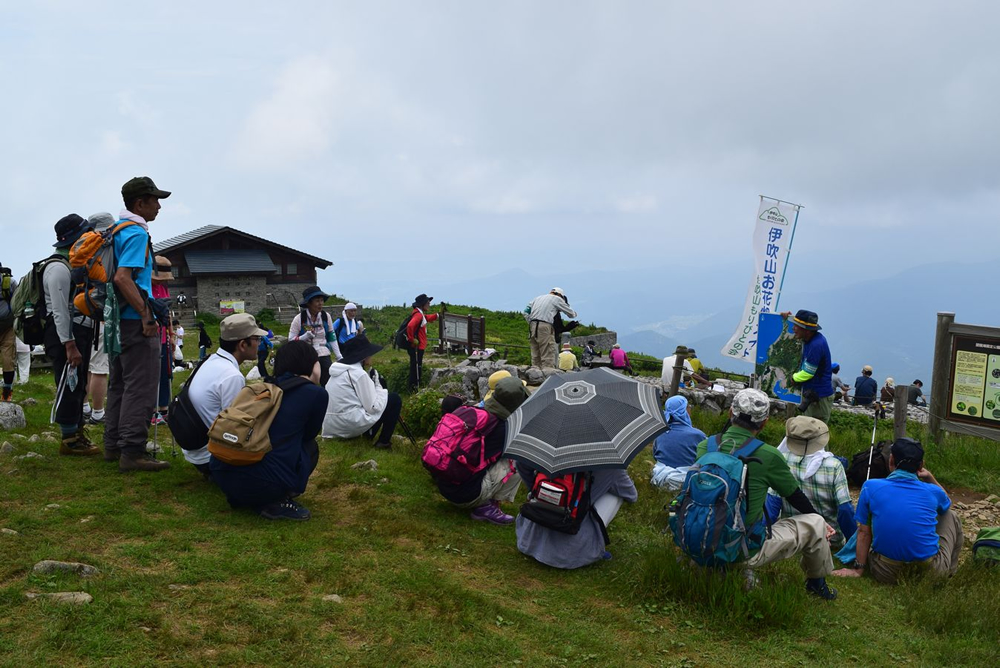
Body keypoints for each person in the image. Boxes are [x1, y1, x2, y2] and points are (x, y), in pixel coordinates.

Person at [693, 389, 839, 600]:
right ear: (764, 423)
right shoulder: (768, 455)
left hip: (700, 539)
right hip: (740, 548)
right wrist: (822, 523)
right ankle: (816, 586)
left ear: (729, 414)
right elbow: (794, 496)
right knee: (815, 522)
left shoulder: (706, 446)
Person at [210, 340, 328, 521]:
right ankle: (276, 501)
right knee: (309, 447)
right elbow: (309, 434)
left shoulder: (264, 388)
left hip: (222, 472)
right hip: (264, 483)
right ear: (310, 365)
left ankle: (244, 495)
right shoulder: (316, 394)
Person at [103, 176, 172, 472]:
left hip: (117, 321)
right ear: (139, 203)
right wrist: (146, 315)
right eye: (154, 200)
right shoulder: (136, 234)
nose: (158, 206)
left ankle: (113, 444)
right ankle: (132, 451)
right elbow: (123, 277)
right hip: (134, 320)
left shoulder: (115, 230)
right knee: (141, 386)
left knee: (119, 383)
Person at [833, 438, 963, 585]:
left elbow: (863, 532)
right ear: (921, 466)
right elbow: (946, 502)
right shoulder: (932, 491)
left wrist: (858, 570)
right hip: (929, 573)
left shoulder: (871, 487)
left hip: (884, 572)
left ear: (891, 460)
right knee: (950, 515)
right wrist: (930, 477)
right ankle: (949, 573)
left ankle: (868, 564)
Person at [436, 376, 529, 525]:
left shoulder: (473, 412)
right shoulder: (502, 428)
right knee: (518, 460)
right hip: (465, 496)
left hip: (444, 484)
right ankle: (486, 507)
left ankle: (481, 500)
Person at [42, 215, 99, 455]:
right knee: (69, 383)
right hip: (63, 334)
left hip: (75, 331)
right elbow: (59, 310)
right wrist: (69, 344)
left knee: (78, 383)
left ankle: (76, 431)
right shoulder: (57, 268)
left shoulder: (72, 265)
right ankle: (69, 438)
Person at [185, 314, 266, 479]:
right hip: (210, 457)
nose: (260, 343)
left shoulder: (210, 361)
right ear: (243, 344)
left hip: (194, 449)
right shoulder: (231, 376)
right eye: (257, 339)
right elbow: (237, 427)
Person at [764, 416, 856, 550]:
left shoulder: (781, 461)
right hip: (828, 538)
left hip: (792, 537)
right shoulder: (834, 466)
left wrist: (762, 535)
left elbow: (772, 506)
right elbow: (845, 510)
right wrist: (853, 545)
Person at [322, 334, 402, 449]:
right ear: (364, 357)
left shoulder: (336, 372)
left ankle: (368, 434)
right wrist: (378, 385)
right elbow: (373, 406)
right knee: (394, 399)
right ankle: (383, 442)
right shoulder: (359, 374)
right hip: (349, 424)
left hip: (332, 426)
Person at [781, 309, 834, 423]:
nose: (793, 328)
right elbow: (794, 332)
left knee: (815, 432)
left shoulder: (816, 345)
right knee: (807, 430)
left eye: (797, 326)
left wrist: (792, 378)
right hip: (812, 395)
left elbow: (807, 373)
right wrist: (785, 318)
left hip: (819, 399)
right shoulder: (810, 339)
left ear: (807, 330)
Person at [651, 395, 707, 490]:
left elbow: (654, 454)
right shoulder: (698, 435)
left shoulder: (659, 432)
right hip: (684, 481)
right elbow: (705, 459)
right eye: (688, 407)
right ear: (684, 411)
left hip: (659, 479)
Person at [288, 285, 335, 386]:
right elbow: (291, 340)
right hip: (305, 354)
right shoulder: (299, 319)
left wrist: (339, 356)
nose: (320, 303)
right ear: (309, 303)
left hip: (323, 353)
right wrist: (303, 337)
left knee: (328, 380)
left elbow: (331, 336)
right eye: (317, 301)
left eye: (322, 300)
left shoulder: (326, 317)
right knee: (306, 382)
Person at [525, 288, 577, 370]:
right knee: (547, 352)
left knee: (535, 354)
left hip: (532, 326)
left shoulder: (537, 298)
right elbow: (571, 314)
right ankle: (547, 374)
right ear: (560, 295)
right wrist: (574, 314)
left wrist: (531, 322)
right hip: (545, 326)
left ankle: (535, 373)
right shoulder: (557, 299)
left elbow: (525, 312)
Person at [151, 256, 174, 425]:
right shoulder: (145, 287)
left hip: (164, 336)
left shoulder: (164, 289)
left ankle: (164, 409)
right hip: (152, 335)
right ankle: (152, 410)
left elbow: (168, 313)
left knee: (165, 373)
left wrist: (172, 335)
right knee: (153, 374)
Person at [404, 293, 439, 391]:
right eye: (428, 302)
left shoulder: (419, 313)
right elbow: (410, 326)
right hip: (417, 347)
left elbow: (426, 318)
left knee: (415, 366)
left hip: (417, 346)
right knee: (416, 368)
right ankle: (414, 388)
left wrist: (437, 315)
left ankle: (413, 388)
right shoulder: (418, 315)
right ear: (422, 304)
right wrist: (412, 339)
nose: (429, 304)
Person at [0, 260, 17, 401]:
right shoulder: (10, 282)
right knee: (8, 358)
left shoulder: (9, 282)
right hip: (8, 325)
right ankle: (7, 392)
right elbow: (18, 300)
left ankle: (7, 391)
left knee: (7, 359)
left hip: (8, 325)